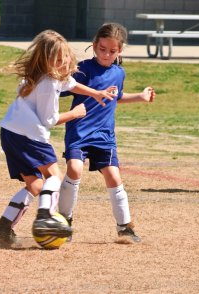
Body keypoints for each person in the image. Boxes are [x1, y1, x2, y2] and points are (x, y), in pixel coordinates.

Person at [0, 30, 116, 248]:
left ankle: (2, 229)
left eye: (65, 56)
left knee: (35, 185)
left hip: (11, 133)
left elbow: (71, 85)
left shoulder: (48, 76)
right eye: (57, 59)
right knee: (54, 176)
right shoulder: (47, 83)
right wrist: (74, 114)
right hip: (29, 135)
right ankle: (46, 217)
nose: (64, 62)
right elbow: (49, 120)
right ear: (46, 61)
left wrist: (95, 93)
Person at [58, 23, 155, 243]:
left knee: (114, 176)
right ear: (94, 46)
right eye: (102, 49)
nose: (107, 54)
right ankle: (63, 222)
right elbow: (63, 88)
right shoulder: (82, 69)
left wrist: (139, 97)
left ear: (119, 51)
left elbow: (116, 96)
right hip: (79, 131)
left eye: (112, 51)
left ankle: (125, 228)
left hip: (104, 135)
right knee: (74, 169)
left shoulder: (119, 73)